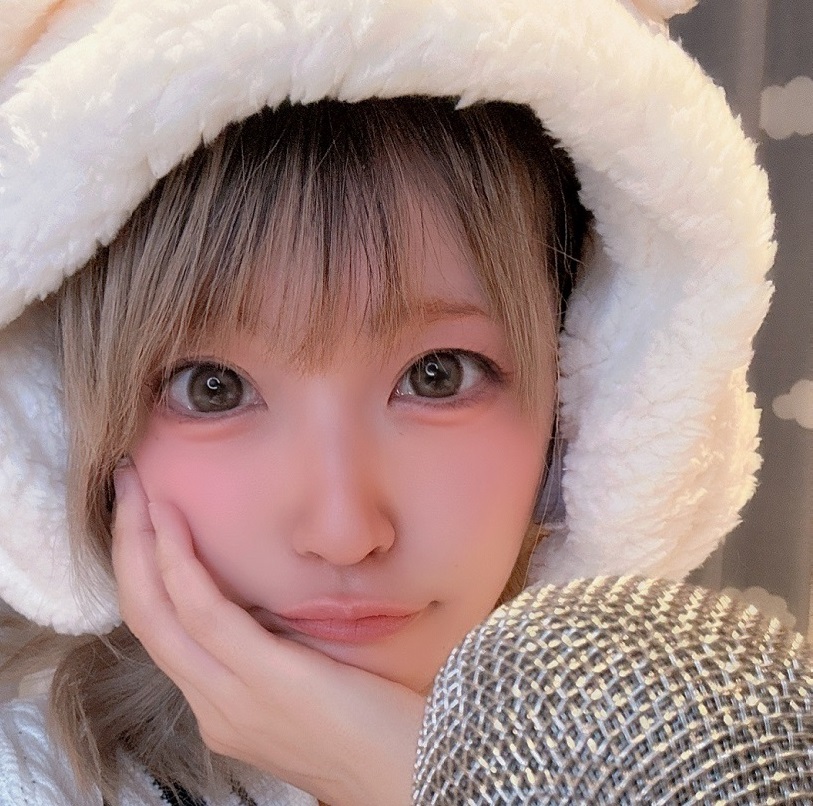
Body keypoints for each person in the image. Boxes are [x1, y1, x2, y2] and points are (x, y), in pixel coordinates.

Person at [0, 1, 775, 805]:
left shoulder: (709, 761)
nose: (343, 533)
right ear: (65, 419)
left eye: (438, 375)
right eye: (213, 388)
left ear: (583, 398)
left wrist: (419, 779)